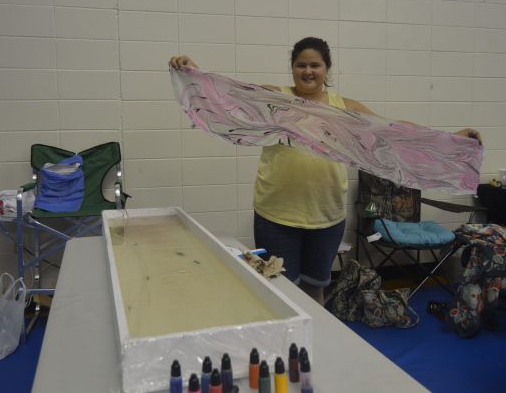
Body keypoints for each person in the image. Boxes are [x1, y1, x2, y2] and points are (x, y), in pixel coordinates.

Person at [170, 37, 482, 305]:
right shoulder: (274, 100)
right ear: (293, 68)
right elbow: (228, 95)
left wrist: (453, 139)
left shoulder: (343, 108)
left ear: (326, 69)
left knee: (316, 287)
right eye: (301, 65)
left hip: (326, 217)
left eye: (315, 65)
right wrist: (193, 72)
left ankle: (317, 346)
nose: (308, 71)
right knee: (279, 289)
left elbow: (392, 133)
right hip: (276, 215)